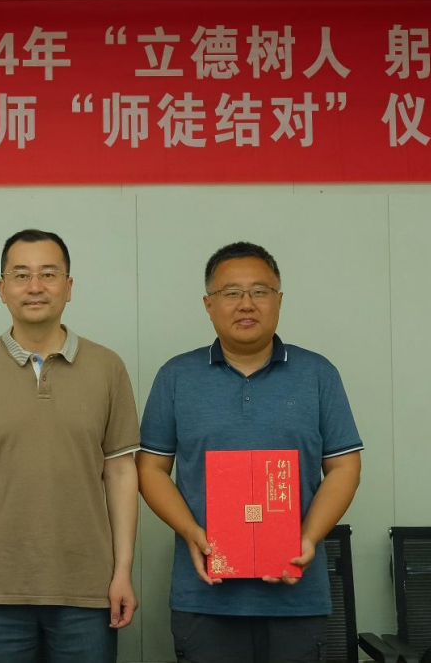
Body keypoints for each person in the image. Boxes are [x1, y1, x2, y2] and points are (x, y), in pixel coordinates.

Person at [137, 242, 363, 663]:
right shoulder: (176, 376)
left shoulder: (318, 374)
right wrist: (190, 531)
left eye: (260, 291)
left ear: (279, 300)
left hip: (297, 598)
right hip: (204, 596)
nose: (246, 304)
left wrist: (309, 537)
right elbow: (149, 468)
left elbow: (344, 466)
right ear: (208, 304)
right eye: (231, 293)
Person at [0, 229, 140, 663]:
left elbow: (122, 473)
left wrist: (122, 572)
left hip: (89, 590)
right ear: (2, 288)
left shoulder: (108, 367)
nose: (35, 286)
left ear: (69, 286)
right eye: (21, 275)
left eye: (48, 274)